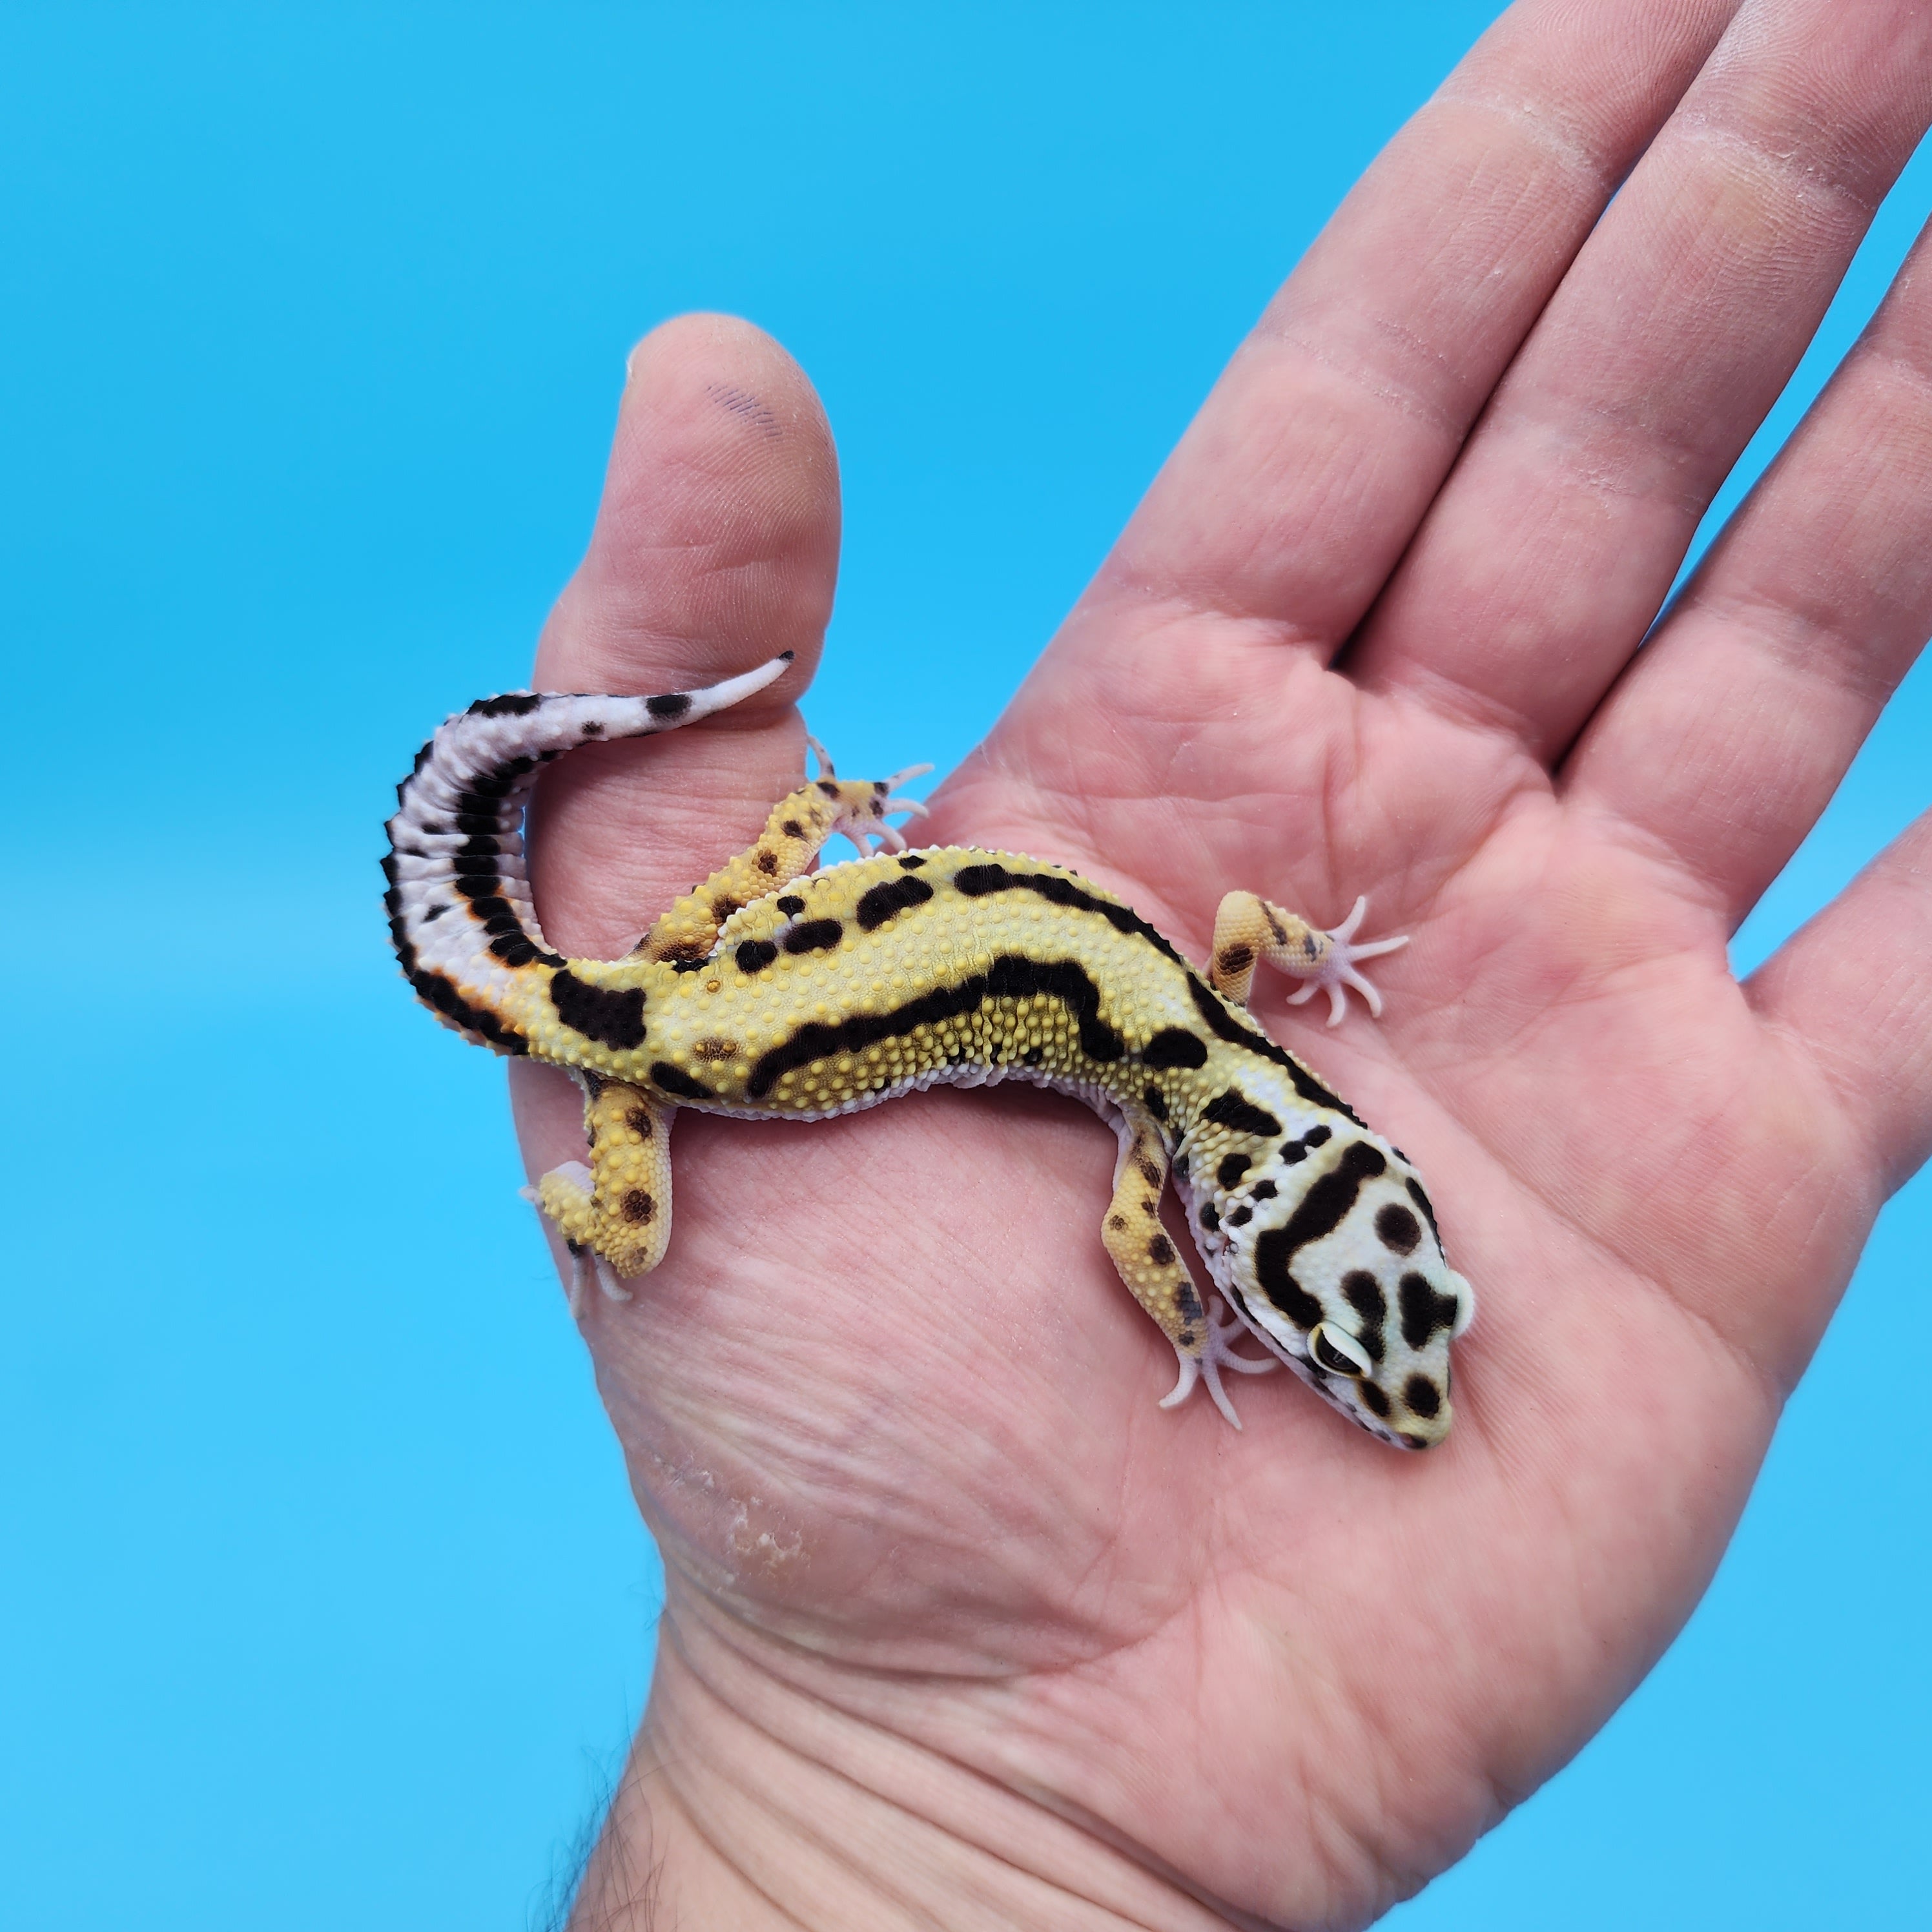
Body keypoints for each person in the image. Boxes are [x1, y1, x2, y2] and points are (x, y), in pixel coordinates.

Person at [508, 2, 1932, 1923]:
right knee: (647, 1204)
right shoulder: (1181, 1095)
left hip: (784, 988)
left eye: (1363, 1340)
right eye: (1367, 1338)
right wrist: (1187, 1331)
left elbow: (1210, 1055)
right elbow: (1148, 1204)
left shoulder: (1209, 1038)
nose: (1391, 1385)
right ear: (1308, 1187)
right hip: (712, 1043)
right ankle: (607, 1175)